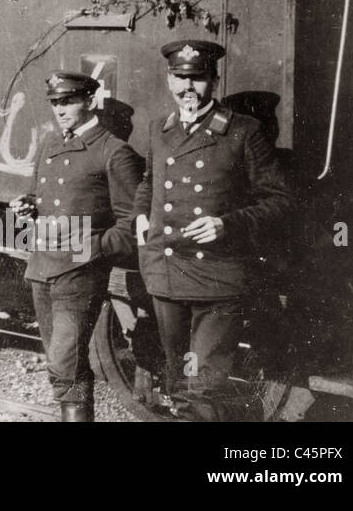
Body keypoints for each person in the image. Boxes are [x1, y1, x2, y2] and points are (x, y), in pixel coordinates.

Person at [133, 40, 294, 420]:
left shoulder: (244, 131)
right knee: (179, 384)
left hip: (218, 278)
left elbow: (280, 199)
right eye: (179, 78)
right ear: (169, 79)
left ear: (214, 80)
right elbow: (149, 181)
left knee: (201, 387)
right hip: (168, 273)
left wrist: (228, 224)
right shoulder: (161, 129)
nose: (187, 87)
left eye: (197, 78)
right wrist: (142, 216)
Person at [11, 71, 144, 421]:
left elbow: (132, 225)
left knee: (63, 359)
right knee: (64, 364)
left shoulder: (114, 151)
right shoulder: (50, 145)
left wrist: (93, 248)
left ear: (89, 101)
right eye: (55, 102)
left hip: (80, 273)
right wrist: (28, 205)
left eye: (68, 101)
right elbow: (44, 199)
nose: (60, 109)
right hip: (42, 268)